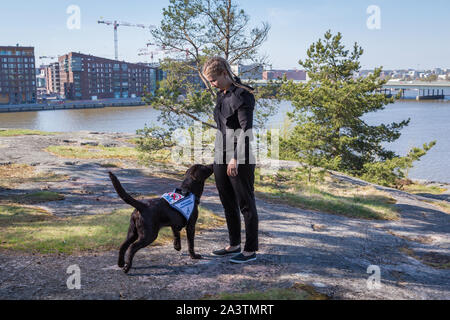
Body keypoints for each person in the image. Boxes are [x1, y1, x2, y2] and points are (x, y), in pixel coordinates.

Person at [202, 56, 258, 264]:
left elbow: (247, 131)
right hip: (221, 154)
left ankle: (250, 250)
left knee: (246, 203)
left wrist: (235, 158)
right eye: (210, 81)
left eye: (214, 80)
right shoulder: (222, 94)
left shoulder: (243, 95)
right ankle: (234, 244)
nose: (212, 84)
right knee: (227, 201)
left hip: (240, 156)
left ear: (225, 73)